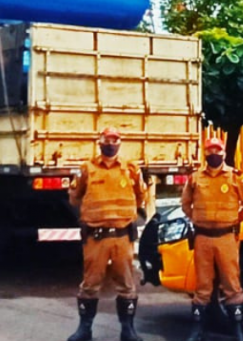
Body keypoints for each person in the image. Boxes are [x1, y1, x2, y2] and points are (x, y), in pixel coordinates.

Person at [67, 127, 148, 341]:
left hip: (122, 237)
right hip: (96, 237)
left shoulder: (130, 169)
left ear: (120, 143)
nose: (110, 144)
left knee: (126, 283)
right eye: (106, 140)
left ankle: (128, 330)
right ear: (99, 142)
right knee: (91, 283)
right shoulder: (87, 169)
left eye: (114, 140)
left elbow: (141, 196)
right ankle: (84, 330)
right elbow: (75, 197)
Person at [180, 137, 243, 341]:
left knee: (232, 284)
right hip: (203, 238)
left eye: (218, 151)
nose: (214, 154)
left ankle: (237, 330)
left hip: (226, 238)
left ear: (223, 153)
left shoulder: (235, 177)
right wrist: (198, 219)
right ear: (205, 153)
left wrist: (234, 221)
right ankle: (197, 330)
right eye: (210, 151)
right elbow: (186, 204)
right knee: (203, 285)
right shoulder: (195, 178)